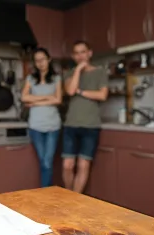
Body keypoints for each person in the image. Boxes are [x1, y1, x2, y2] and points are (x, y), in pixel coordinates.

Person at [62, 40, 108, 193]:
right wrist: (78, 70)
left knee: (83, 165)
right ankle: (69, 196)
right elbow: (70, 91)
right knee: (67, 165)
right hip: (71, 124)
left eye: (83, 52)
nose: (80, 55)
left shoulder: (100, 72)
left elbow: (102, 95)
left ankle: (75, 200)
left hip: (91, 125)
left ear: (90, 53)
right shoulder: (69, 73)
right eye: (76, 53)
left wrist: (81, 92)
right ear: (73, 56)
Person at [21, 47, 62, 188]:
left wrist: (34, 102)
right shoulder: (31, 78)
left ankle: (46, 194)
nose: (40, 63)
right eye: (37, 60)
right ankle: (47, 193)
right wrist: (47, 97)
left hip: (53, 126)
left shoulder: (56, 78)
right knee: (43, 161)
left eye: (42, 59)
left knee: (47, 162)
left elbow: (58, 100)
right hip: (35, 126)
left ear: (49, 59)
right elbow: (24, 97)